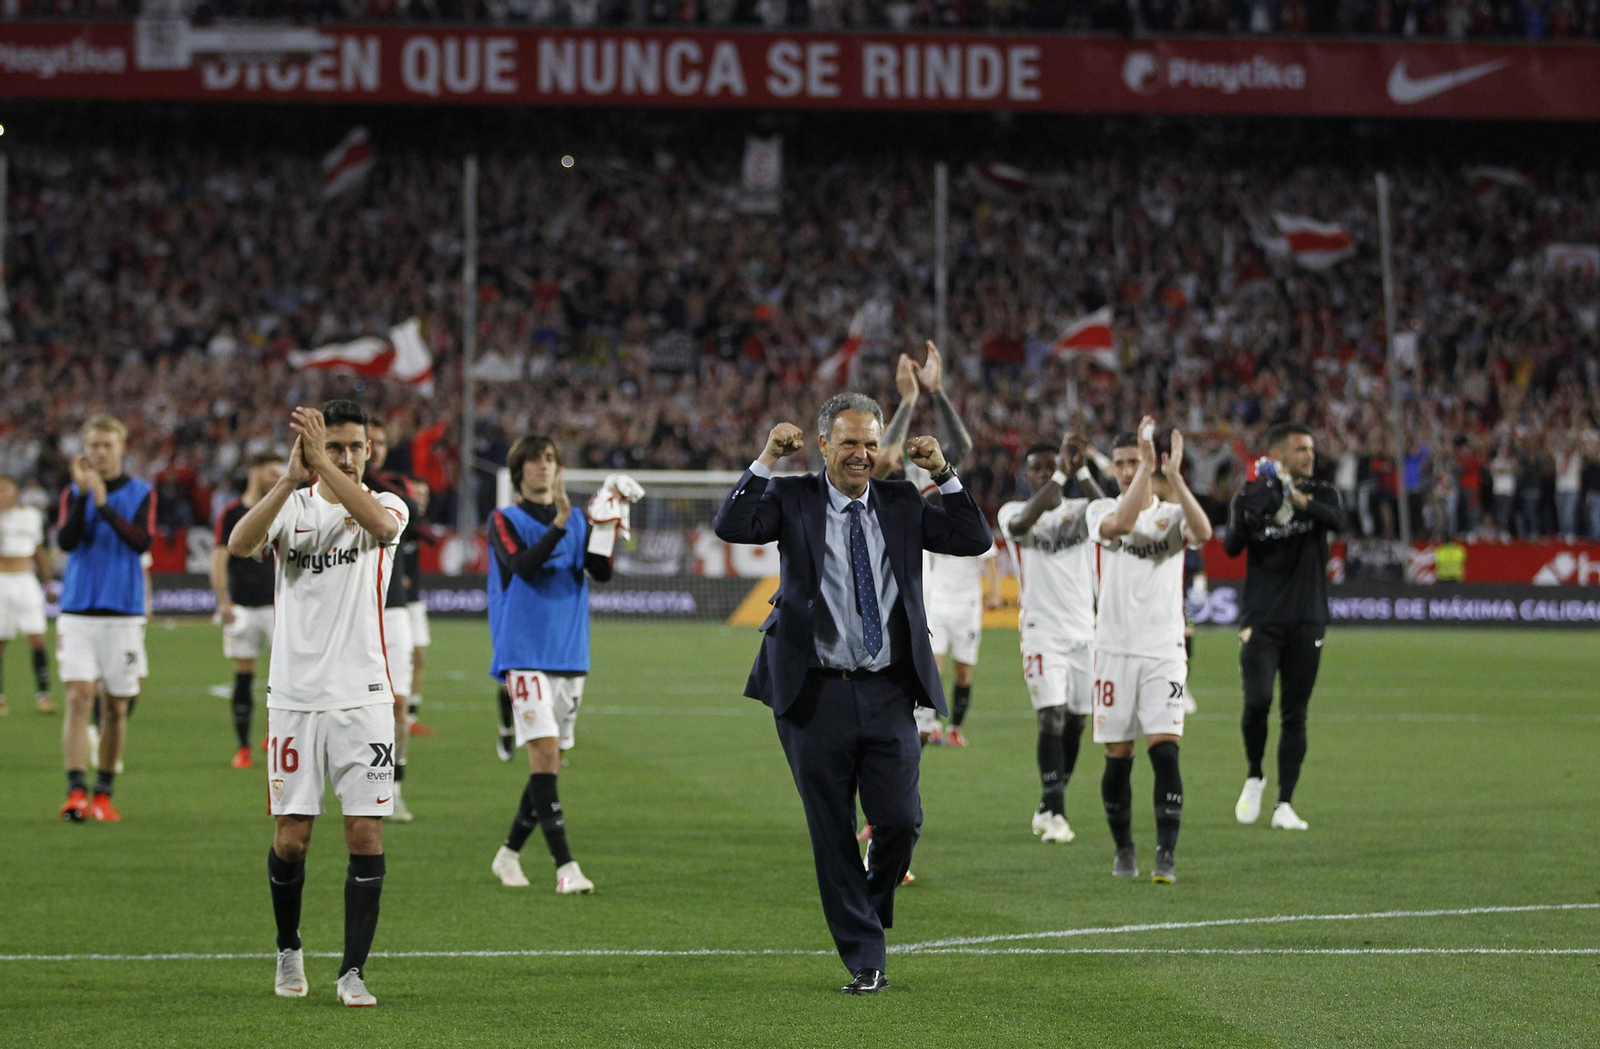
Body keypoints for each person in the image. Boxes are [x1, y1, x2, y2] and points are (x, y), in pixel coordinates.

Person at [712, 392, 991, 994]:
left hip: (889, 689)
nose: (860, 454)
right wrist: (766, 457)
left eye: (869, 443)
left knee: (900, 821)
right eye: (848, 443)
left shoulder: (902, 501)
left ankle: (869, 902)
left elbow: (973, 538)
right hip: (813, 694)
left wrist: (943, 472)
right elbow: (731, 525)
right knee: (832, 830)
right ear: (823, 445)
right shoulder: (792, 497)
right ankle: (867, 958)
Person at [225, 401, 408, 1008]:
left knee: (365, 833)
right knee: (292, 839)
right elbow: (239, 543)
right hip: (295, 697)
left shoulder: (388, 505)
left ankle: (353, 971)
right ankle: (288, 947)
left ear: (369, 451)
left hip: (364, 697)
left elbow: (381, 529)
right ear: (314, 450)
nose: (348, 457)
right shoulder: (294, 508)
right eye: (335, 447)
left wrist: (323, 467)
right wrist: (286, 479)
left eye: (356, 447)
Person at [487, 435, 638, 894]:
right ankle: (566, 868)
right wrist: (557, 524)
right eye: (535, 460)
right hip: (524, 652)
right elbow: (522, 565)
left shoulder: (576, 521)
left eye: (550, 459)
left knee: (550, 763)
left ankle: (508, 854)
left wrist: (606, 525)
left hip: (569, 652)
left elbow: (600, 571)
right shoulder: (504, 519)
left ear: (559, 469)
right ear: (519, 471)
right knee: (544, 754)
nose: (543, 466)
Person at [1087, 418, 1212, 884]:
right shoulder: (1099, 509)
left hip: (1164, 652)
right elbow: (1121, 523)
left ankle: (1166, 853)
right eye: (1120, 463)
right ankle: (1124, 849)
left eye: (1133, 462)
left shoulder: (1171, 516)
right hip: (1114, 651)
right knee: (1118, 755)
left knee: (1165, 752)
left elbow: (1204, 533)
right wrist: (1145, 465)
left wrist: (1175, 477)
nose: (1125, 470)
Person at [875, 343, 997, 747]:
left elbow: (960, 448)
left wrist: (937, 392)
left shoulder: (922, 485)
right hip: (887, 596)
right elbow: (884, 458)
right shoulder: (879, 483)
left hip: (919, 596)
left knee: (917, 720)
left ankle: (928, 731)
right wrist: (908, 400)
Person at [1224, 422, 1342, 832]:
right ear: (1277, 455)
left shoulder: (1322, 492)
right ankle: (1254, 774)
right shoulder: (1250, 493)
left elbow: (1337, 521)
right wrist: (1260, 503)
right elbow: (1232, 546)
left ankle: (1284, 803)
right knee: (1257, 701)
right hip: (1262, 617)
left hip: (1307, 616)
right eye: (1301, 449)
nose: (1310, 456)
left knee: (1295, 712)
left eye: (1311, 449)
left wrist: (1296, 497)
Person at [995, 434, 1103, 845]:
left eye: (1050, 467)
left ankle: (1048, 802)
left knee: (1076, 721)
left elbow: (1110, 513)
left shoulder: (1080, 511)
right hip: (1042, 632)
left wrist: (1083, 470)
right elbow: (1021, 526)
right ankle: (1057, 812)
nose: (1043, 474)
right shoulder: (1014, 512)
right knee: (1051, 716)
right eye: (1037, 469)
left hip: (1084, 631)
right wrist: (1060, 474)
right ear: (1027, 475)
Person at [55, 416, 154, 823]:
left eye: (107, 445)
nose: (99, 452)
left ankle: (104, 792)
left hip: (123, 613)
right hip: (77, 609)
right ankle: (76, 791)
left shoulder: (141, 492)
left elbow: (141, 541)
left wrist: (102, 505)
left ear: (121, 448)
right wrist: (84, 496)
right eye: (93, 445)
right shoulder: (71, 493)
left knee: (115, 707)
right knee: (79, 697)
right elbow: (66, 541)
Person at [210, 450, 285, 769]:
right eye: (271, 471)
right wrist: (222, 600)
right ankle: (243, 747)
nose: (276, 477)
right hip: (242, 607)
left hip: (277, 606)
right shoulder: (231, 513)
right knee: (243, 674)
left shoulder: (283, 506)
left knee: (284, 674)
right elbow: (219, 558)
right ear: (254, 471)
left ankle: (274, 734)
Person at [365, 420, 423, 822]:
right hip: (352, 610)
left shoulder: (393, 488)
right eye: (367, 441)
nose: (375, 448)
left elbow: (413, 513)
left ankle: (394, 789)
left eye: (381, 442)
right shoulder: (330, 490)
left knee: (398, 703)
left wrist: (368, 476)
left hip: (393, 607)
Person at [0, 474, 57, 716]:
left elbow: (38, 551)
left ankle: (44, 696)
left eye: (5, 489)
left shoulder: (31, 516)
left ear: (15, 491)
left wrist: (47, 583)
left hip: (25, 581)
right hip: (2, 580)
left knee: (37, 638)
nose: (2, 495)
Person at [405, 479, 437, 737]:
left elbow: (432, 539)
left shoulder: (417, 525)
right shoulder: (393, 519)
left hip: (413, 600)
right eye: (417, 494)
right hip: (390, 603)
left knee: (419, 656)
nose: (422, 499)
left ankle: (410, 717)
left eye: (425, 495)